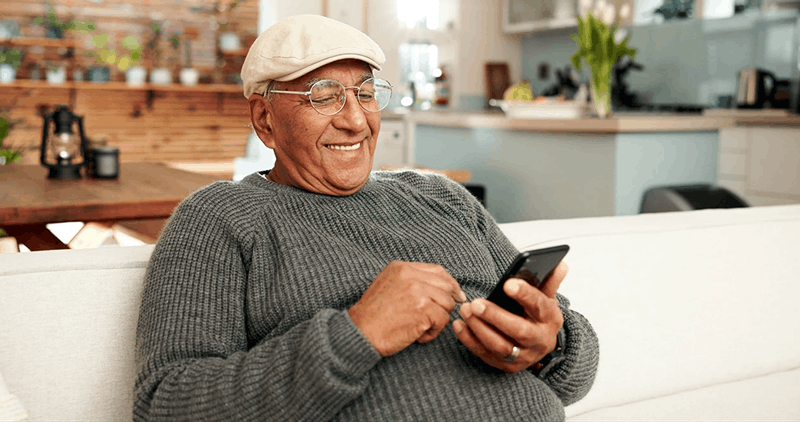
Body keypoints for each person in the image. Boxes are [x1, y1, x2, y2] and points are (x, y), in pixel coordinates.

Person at [134, 14, 599, 421]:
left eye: (366, 93)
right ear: (265, 120)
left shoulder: (441, 197)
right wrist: (356, 333)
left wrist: (548, 346)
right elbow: (166, 405)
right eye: (324, 96)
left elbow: (574, 367)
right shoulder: (219, 219)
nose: (357, 121)